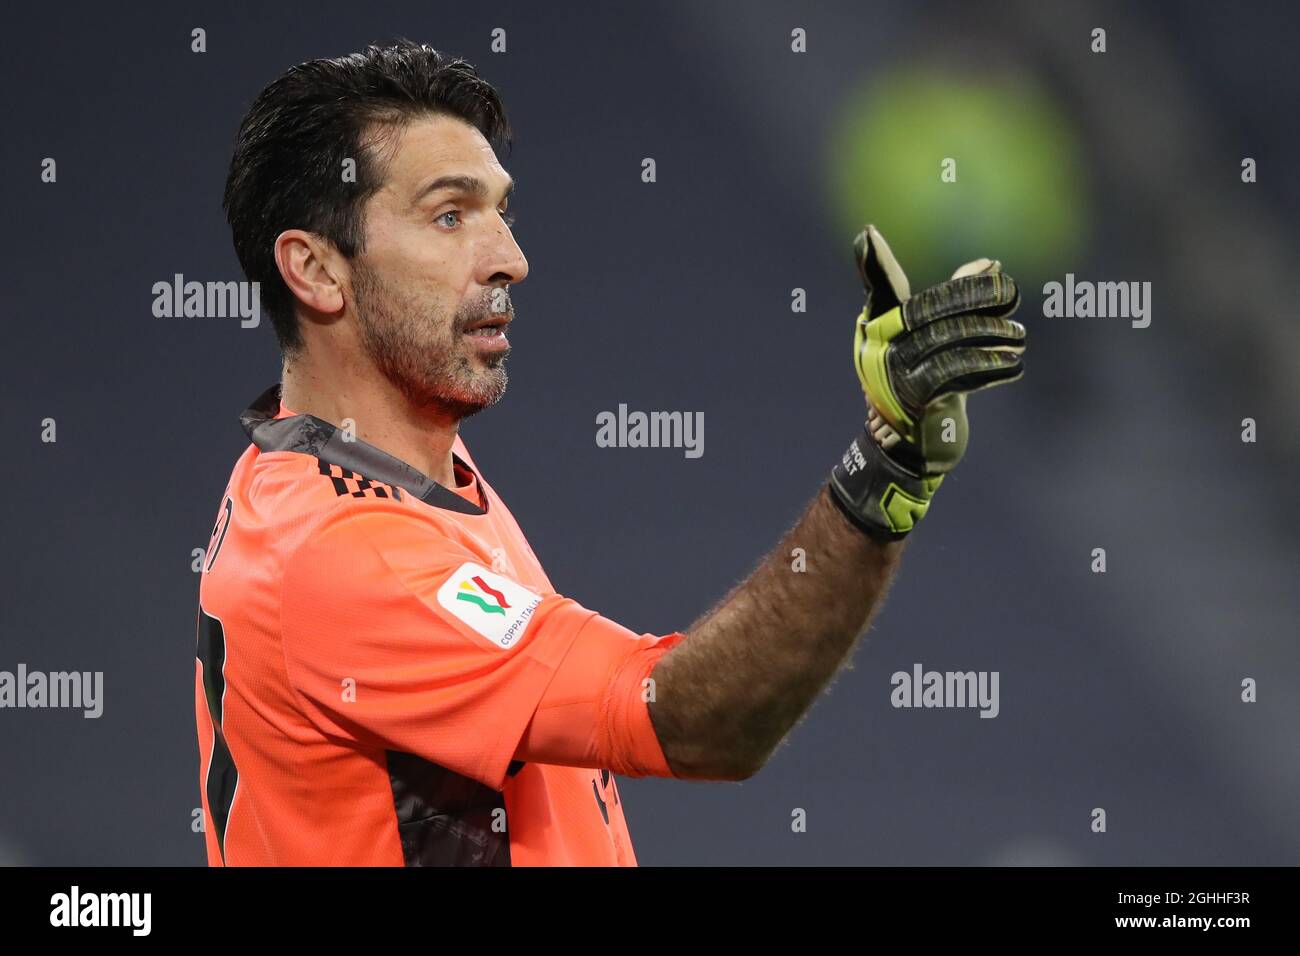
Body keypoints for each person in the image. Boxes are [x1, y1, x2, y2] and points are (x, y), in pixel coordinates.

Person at [196, 41, 1026, 866]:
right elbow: (689, 720)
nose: (510, 261)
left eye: (500, 212)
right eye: (450, 215)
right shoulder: (340, 550)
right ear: (314, 270)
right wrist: (882, 473)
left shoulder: (395, 473)